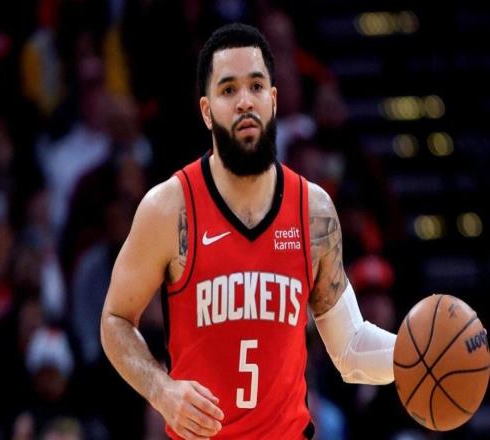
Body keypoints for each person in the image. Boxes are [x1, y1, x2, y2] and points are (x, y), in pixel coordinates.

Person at [101, 23, 396, 440]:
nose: (245, 101)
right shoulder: (169, 208)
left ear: (273, 99)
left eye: (256, 86)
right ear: (207, 111)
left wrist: (418, 352)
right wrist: (161, 389)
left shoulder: (313, 211)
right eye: (228, 90)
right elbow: (114, 319)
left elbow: (350, 349)